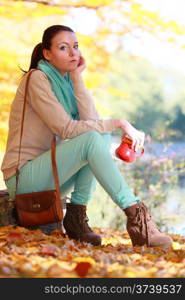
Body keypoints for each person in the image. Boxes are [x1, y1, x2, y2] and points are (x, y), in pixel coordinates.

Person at [1, 25, 172, 249]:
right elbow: (67, 129)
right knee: (93, 139)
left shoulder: (66, 82)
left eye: (76, 47)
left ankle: (76, 218)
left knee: (98, 139)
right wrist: (121, 123)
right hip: (23, 178)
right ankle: (137, 219)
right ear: (47, 53)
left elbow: (92, 123)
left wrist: (76, 77)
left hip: (49, 177)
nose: (73, 53)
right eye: (63, 48)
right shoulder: (37, 79)